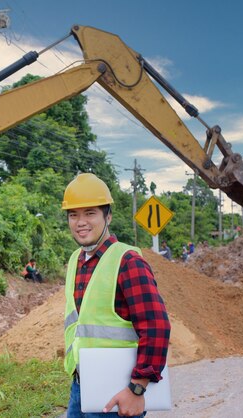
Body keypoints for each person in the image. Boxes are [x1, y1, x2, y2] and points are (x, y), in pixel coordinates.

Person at [61, 173, 170, 417]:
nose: (81, 222)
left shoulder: (127, 261)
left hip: (119, 393)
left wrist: (137, 389)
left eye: (90, 213)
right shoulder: (75, 260)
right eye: (73, 215)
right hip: (80, 387)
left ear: (107, 216)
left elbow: (156, 326)